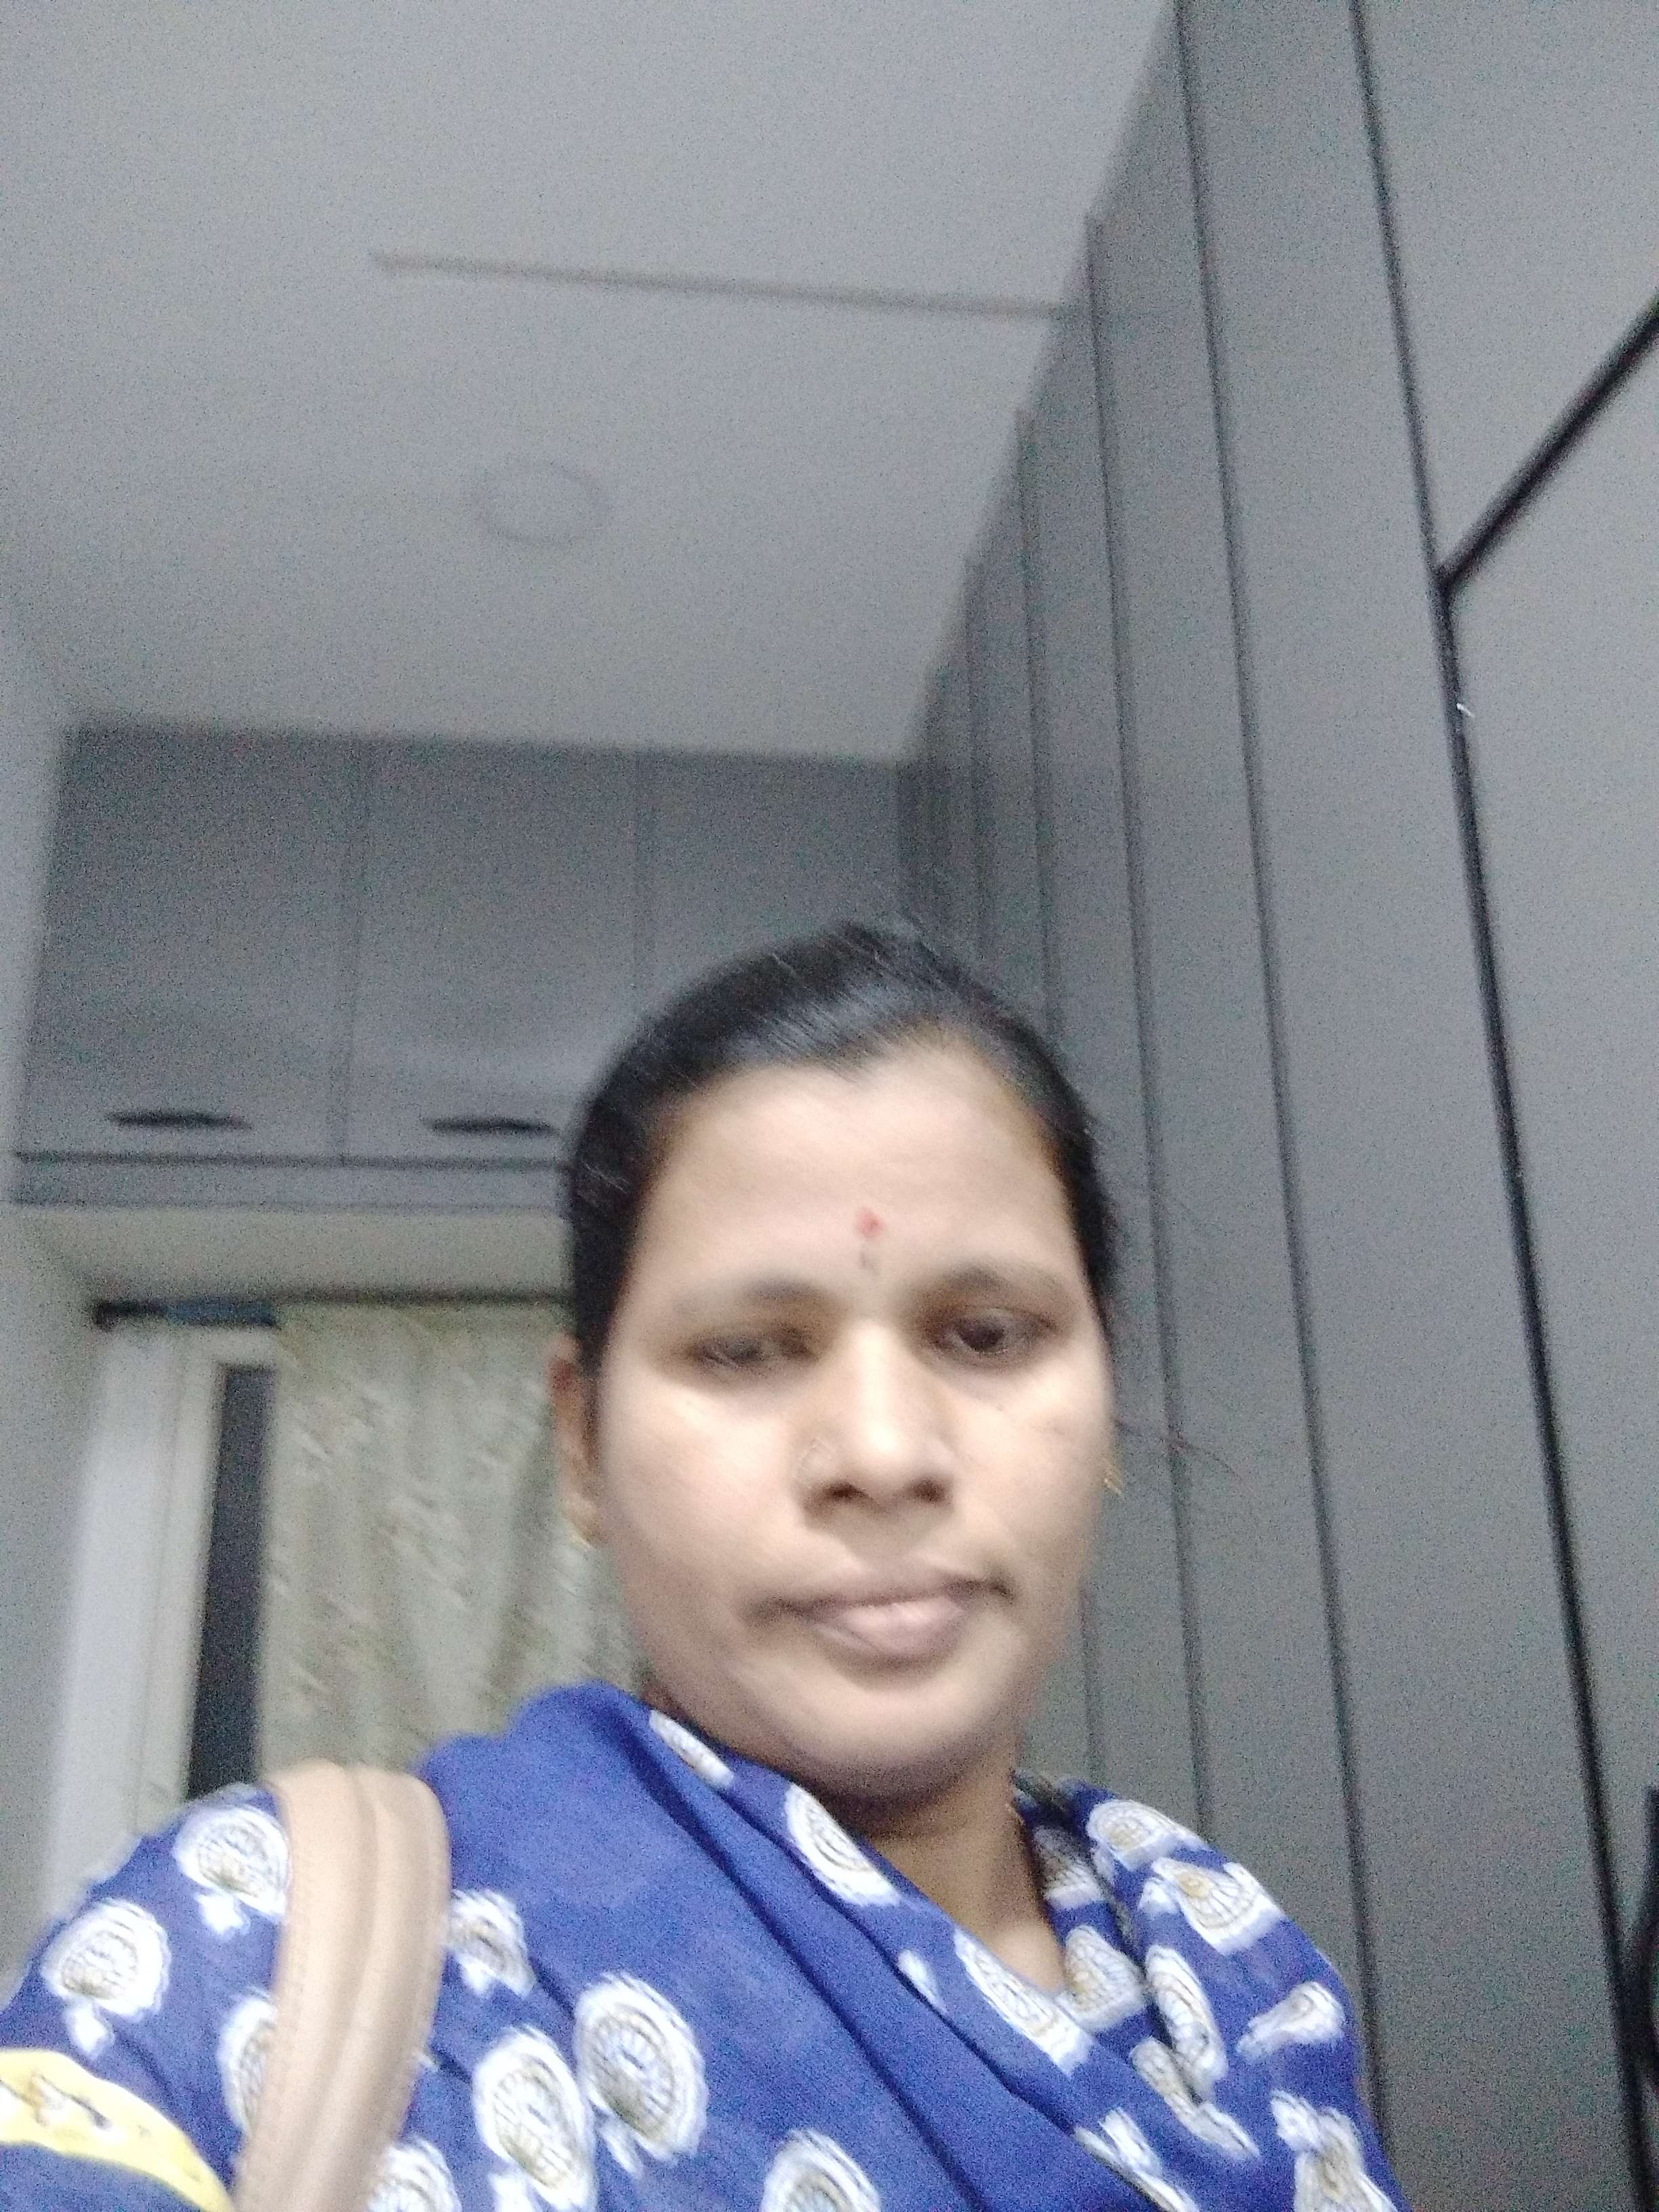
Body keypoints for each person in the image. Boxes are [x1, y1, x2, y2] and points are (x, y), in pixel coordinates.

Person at [0, 922, 1408, 2211]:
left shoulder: (1242, 1989)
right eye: (745, 1351)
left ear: (1104, 1403)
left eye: (986, 1336)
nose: (882, 1453)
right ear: (583, 1446)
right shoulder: (240, 1957)